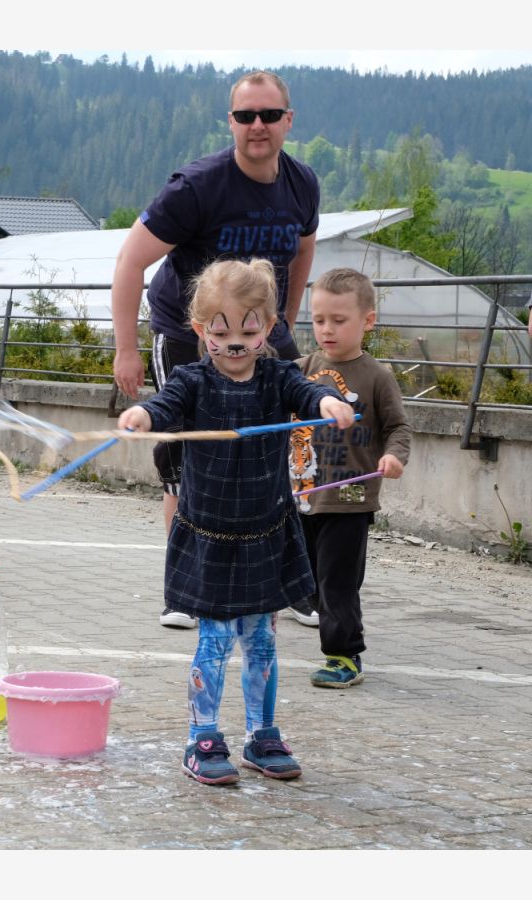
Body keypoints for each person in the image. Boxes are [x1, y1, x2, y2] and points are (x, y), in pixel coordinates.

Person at [118, 259, 355, 785]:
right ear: (200, 330)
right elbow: (165, 404)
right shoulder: (192, 379)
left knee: (263, 641)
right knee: (214, 641)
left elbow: (309, 393)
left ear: (268, 326)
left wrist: (329, 401)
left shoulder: (278, 376)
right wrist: (143, 415)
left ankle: (262, 735)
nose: (234, 344)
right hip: (210, 537)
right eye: (220, 333)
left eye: (248, 332)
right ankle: (201, 738)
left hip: (265, 534)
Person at [111, 70, 321, 630]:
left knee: (273, 457)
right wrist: (126, 349)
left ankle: (284, 583)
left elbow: (304, 248)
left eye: (269, 115)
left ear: (288, 120)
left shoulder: (302, 183)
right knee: (188, 461)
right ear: (231, 122)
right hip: (190, 336)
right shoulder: (197, 187)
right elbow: (131, 260)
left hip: (260, 336)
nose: (258, 126)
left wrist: (285, 321)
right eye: (246, 116)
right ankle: (186, 590)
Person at [289, 268, 412, 688]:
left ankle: (344, 655)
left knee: (338, 582)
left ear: (368, 321)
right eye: (319, 319)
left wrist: (393, 456)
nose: (327, 329)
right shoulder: (299, 370)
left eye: (339, 320)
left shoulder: (377, 376)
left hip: (349, 500)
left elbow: (398, 427)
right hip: (301, 497)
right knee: (305, 581)